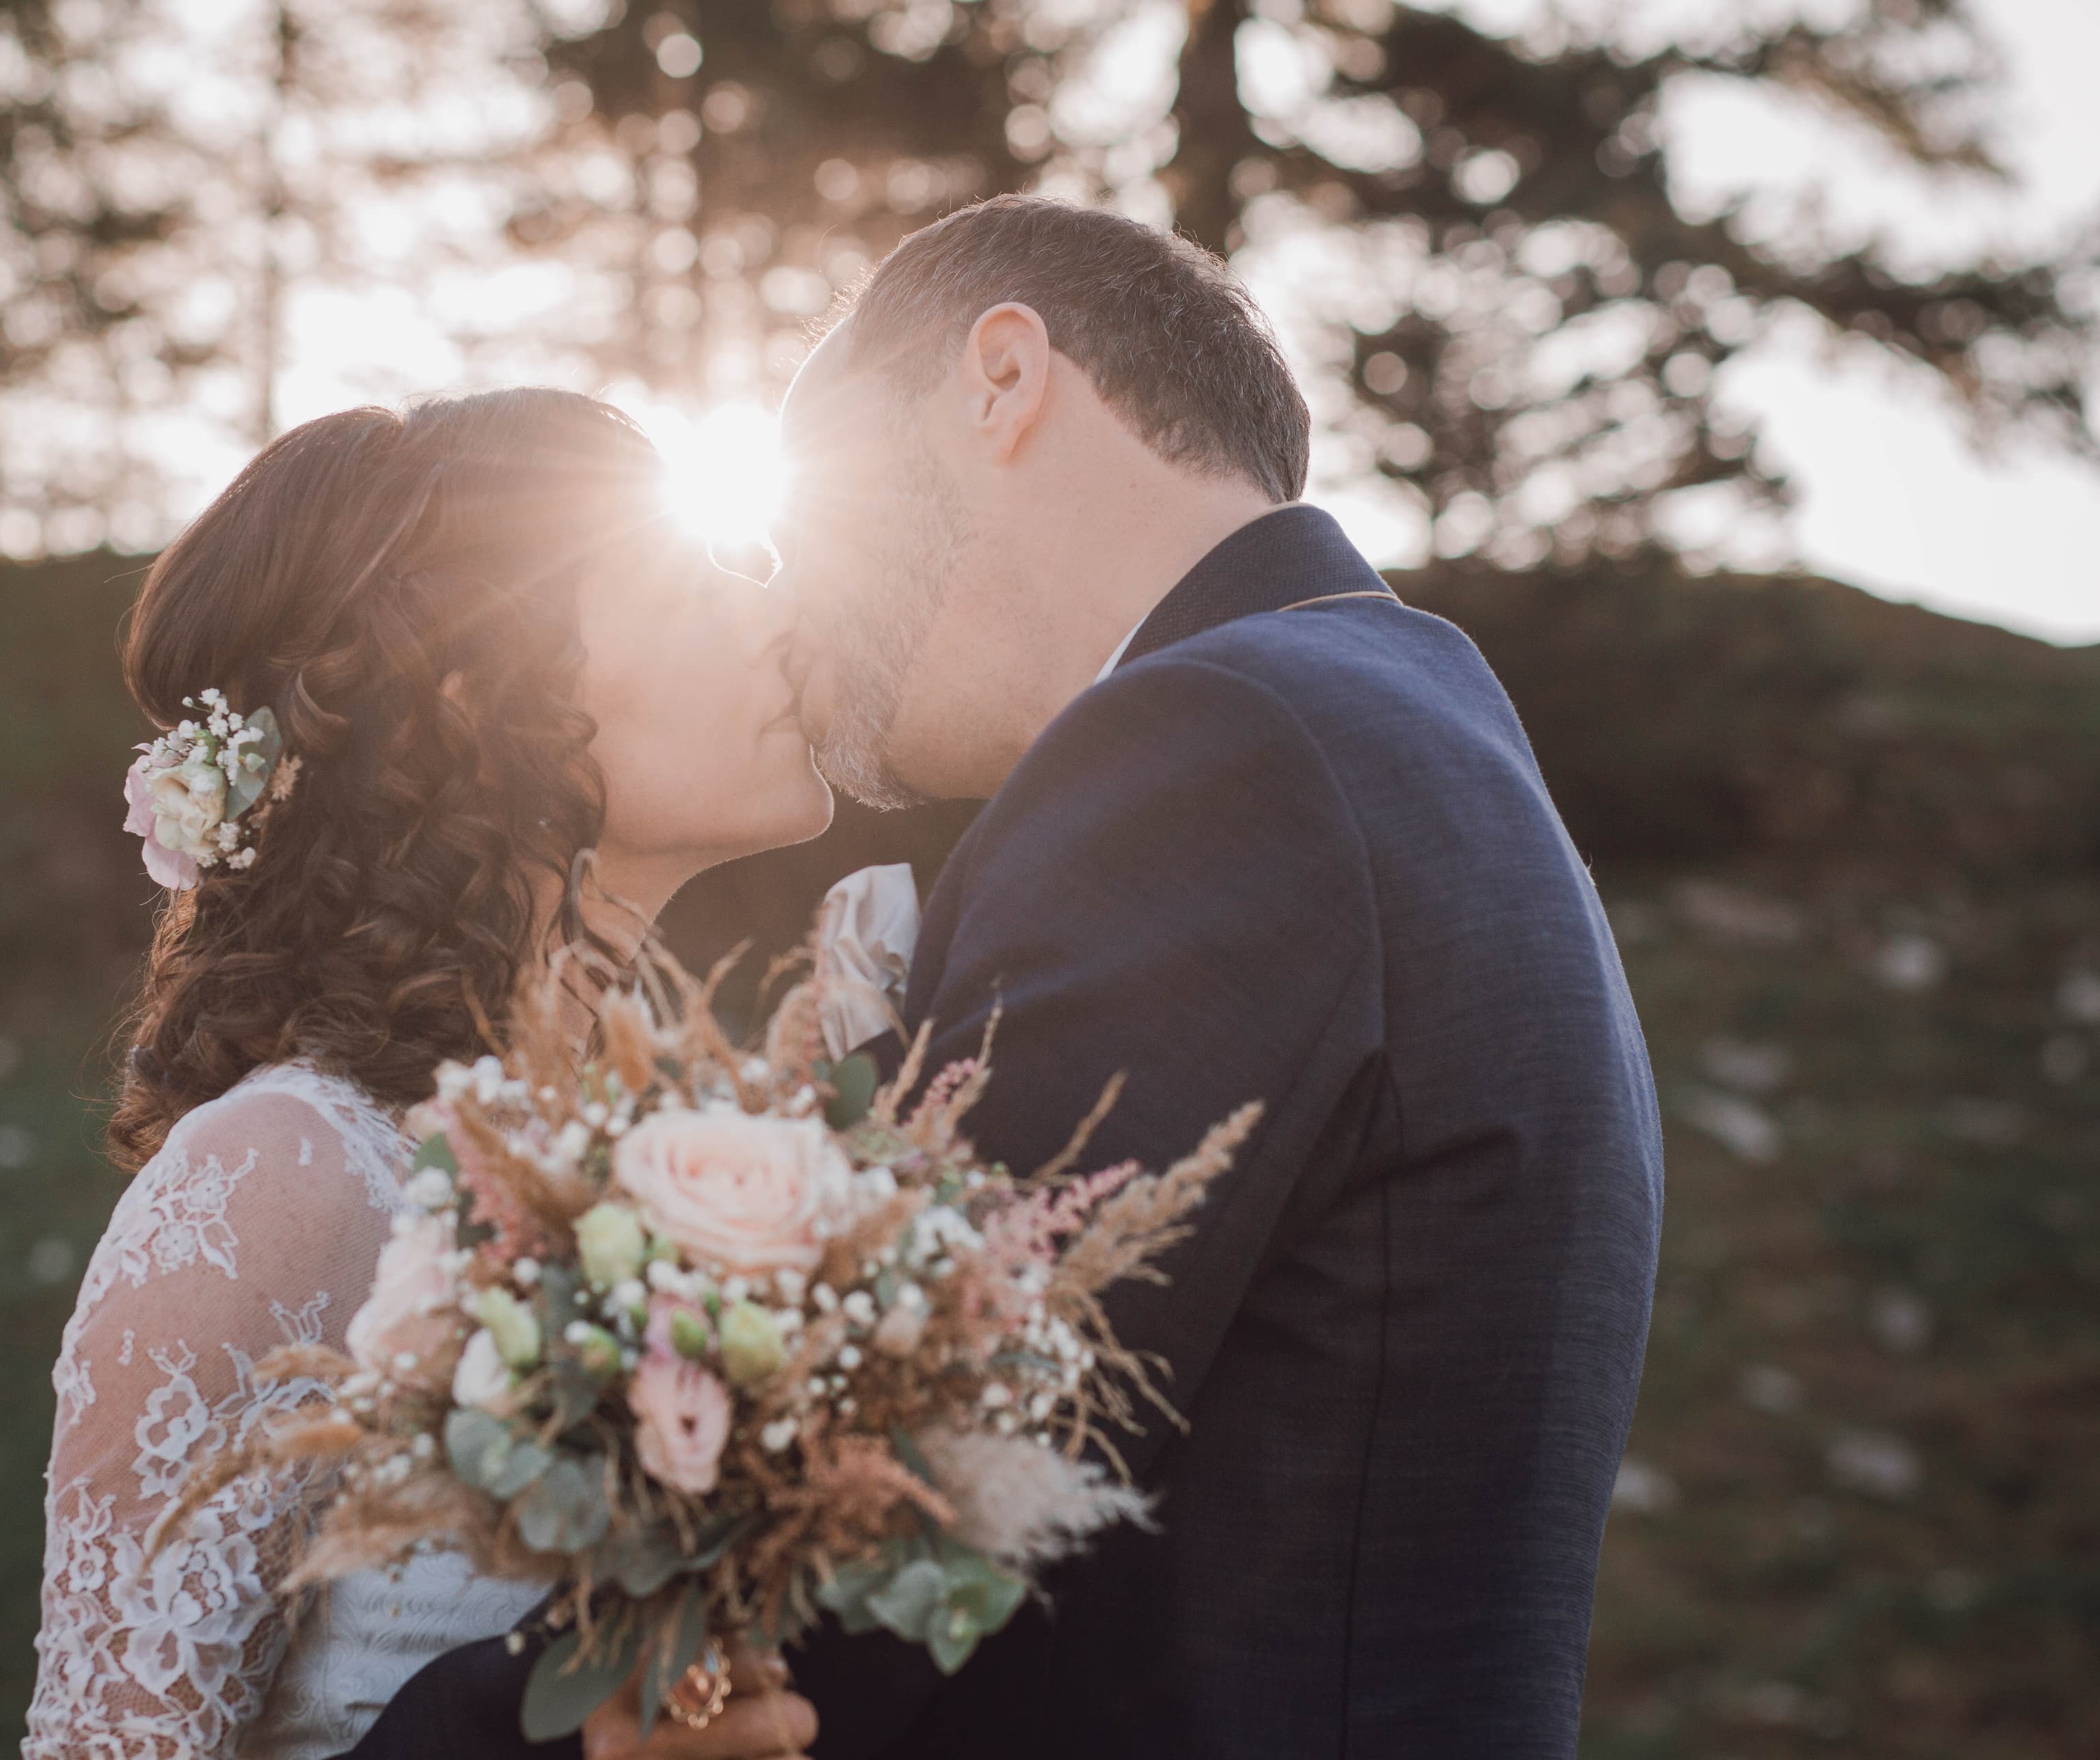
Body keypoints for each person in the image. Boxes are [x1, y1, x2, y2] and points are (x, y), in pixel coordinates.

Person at [338, 196, 1663, 1757]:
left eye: (820, 503)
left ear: (1001, 380)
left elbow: (874, 1510)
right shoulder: (1423, 726)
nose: (801, 609)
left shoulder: (1221, 749)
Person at [23, 389, 827, 1760]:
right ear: (477, 694)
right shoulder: (286, 1178)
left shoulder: (683, 1153)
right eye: (683, 588)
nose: (777, 614)